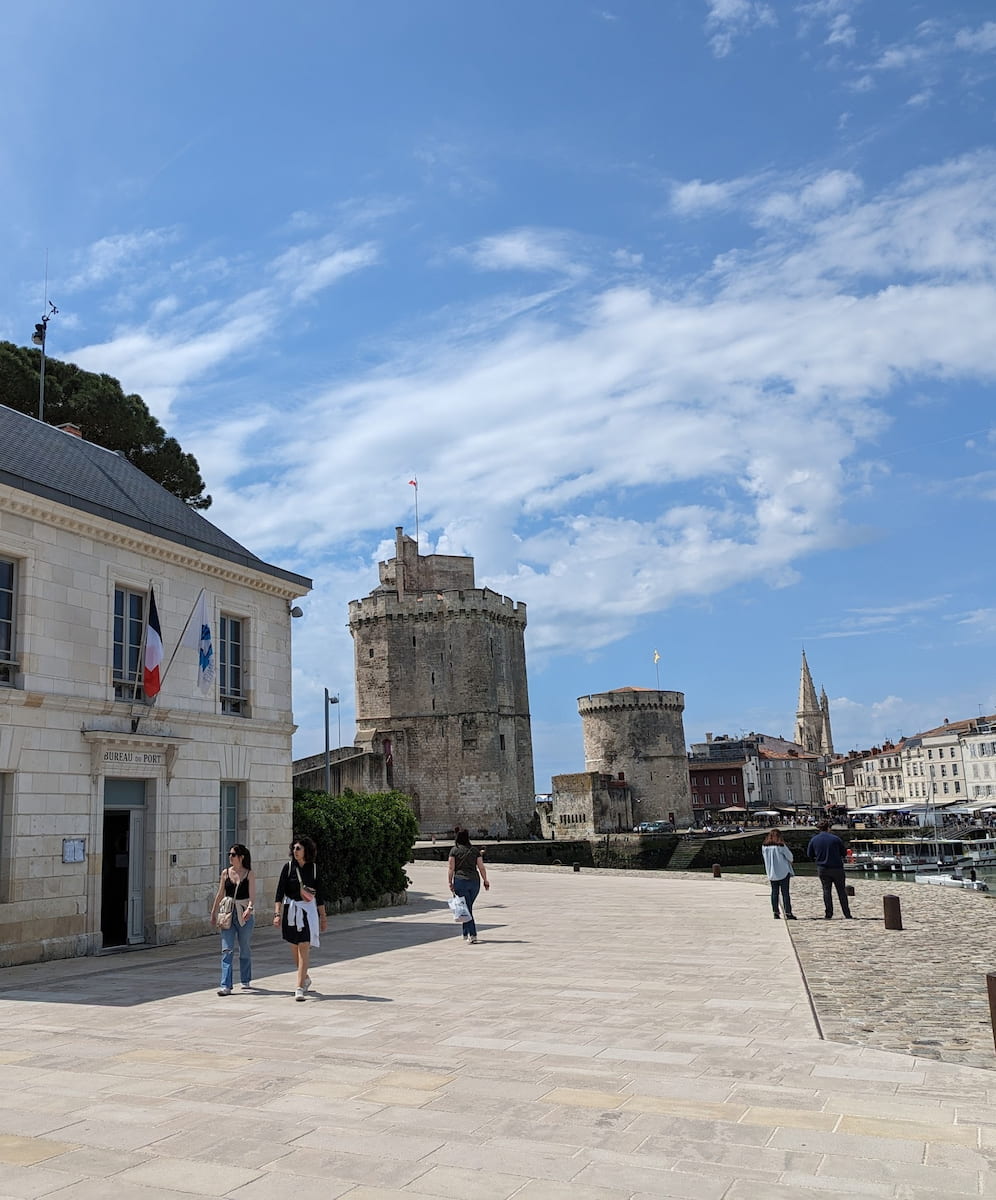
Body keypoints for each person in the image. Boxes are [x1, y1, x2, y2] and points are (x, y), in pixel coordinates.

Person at [273, 835, 327, 1000]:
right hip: (291, 910)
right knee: (294, 947)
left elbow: (320, 895)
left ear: (306, 851)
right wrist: (277, 913)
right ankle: (305, 978)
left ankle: (299, 987)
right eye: (294, 848)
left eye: (298, 848)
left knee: (304, 946)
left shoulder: (314, 869)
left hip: (307, 912)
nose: (295, 851)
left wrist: (323, 917)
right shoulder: (288, 867)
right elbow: (279, 892)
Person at [210, 843, 256, 995]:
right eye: (229, 854)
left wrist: (249, 909)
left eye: (233, 854)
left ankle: (245, 979)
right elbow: (220, 893)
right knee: (227, 949)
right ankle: (226, 985)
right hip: (228, 913)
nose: (230, 857)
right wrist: (213, 912)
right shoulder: (225, 873)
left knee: (245, 949)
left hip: (243, 914)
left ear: (241, 857)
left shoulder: (249, 873)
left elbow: (252, 895)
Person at [448, 828, 489, 944]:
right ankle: (465, 932)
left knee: (467, 908)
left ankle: (473, 934)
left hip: (460, 881)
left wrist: (449, 882)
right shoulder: (475, 851)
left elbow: (451, 868)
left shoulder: (454, 851)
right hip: (475, 882)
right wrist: (485, 880)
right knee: (467, 906)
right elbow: (481, 867)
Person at [807, 820, 853, 919]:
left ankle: (829, 913)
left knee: (826, 891)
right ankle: (846, 913)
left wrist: (817, 859)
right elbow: (844, 853)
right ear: (829, 828)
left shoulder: (814, 840)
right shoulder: (836, 839)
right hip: (837, 868)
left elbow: (809, 854)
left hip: (823, 868)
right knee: (841, 891)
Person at [761, 829, 796, 920]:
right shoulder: (781, 846)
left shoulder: (764, 847)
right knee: (785, 893)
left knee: (774, 892)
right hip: (783, 872)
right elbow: (790, 857)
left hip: (771, 872)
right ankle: (788, 912)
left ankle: (775, 912)